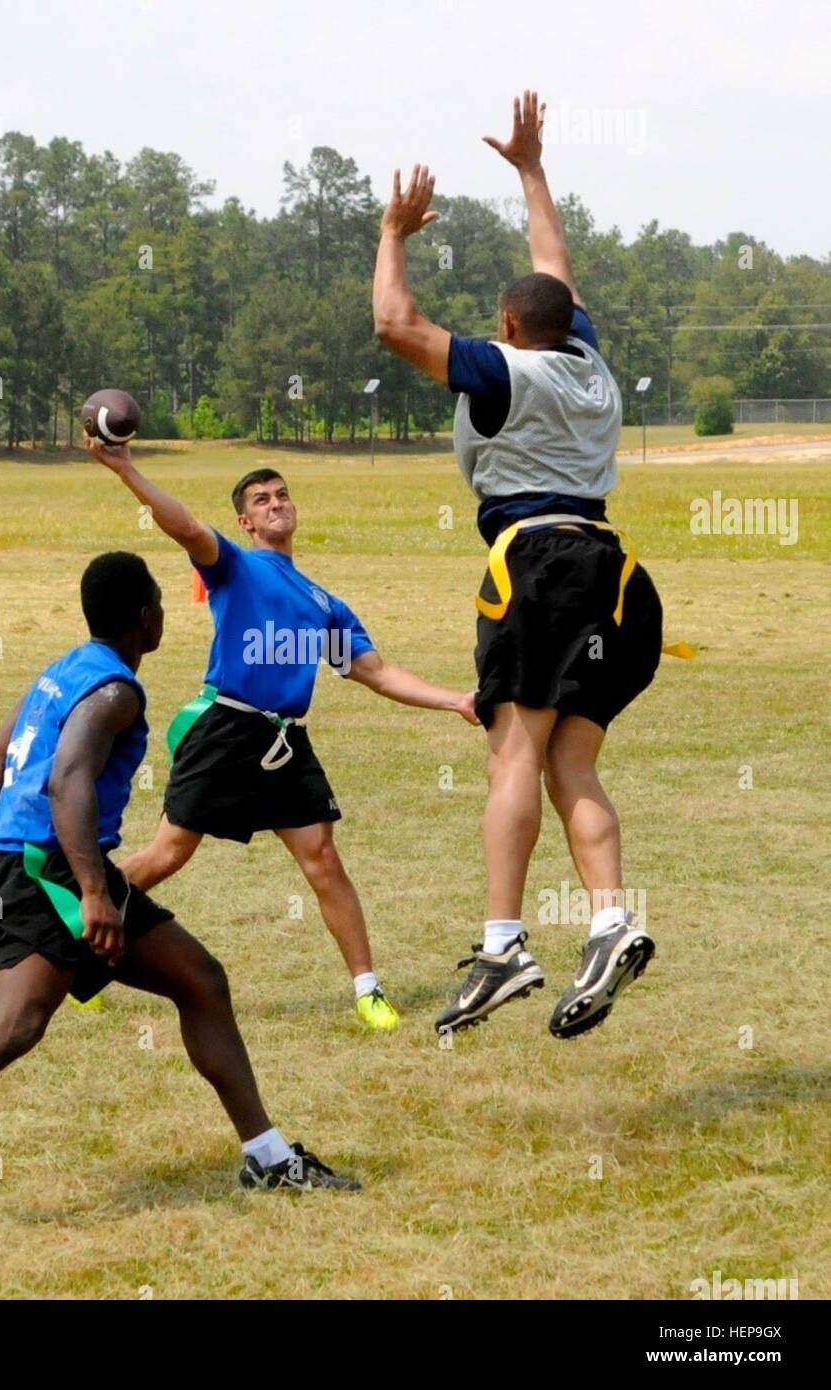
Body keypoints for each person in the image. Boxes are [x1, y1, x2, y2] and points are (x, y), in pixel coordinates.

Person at [0, 551, 359, 1241]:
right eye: (161, 606)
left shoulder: (60, 671)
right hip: (54, 870)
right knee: (16, 1022)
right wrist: (91, 892)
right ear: (145, 620)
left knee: (201, 981)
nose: (167, 614)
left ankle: (267, 1157)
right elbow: (67, 783)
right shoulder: (116, 692)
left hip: (30, 862)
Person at [373, 90, 671, 1040]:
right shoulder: (587, 361)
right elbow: (556, 268)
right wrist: (532, 170)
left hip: (536, 566)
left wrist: (393, 232)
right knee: (570, 762)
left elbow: (394, 324)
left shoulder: (505, 369)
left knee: (513, 752)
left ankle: (503, 946)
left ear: (505, 322)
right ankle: (611, 918)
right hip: (613, 575)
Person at [85, 439, 480, 1031]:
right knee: (168, 854)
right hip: (225, 730)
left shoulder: (325, 602)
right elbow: (187, 526)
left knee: (324, 860)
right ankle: (76, 934)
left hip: (286, 742)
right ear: (246, 521)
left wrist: (456, 700)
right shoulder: (235, 568)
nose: (276, 504)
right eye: (261, 500)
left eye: (283, 495)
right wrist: (125, 469)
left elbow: (374, 672)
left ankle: (368, 991)